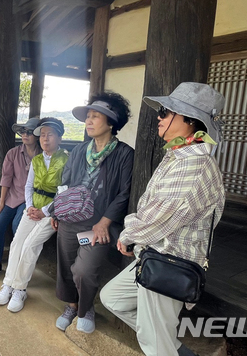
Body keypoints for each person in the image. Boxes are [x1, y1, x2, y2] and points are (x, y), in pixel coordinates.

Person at [100, 82, 226, 356]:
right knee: (113, 299)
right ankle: (171, 346)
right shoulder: (180, 154)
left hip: (171, 260)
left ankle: (165, 347)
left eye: (167, 112)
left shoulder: (195, 162)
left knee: (154, 345)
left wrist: (128, 234)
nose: (159, 116)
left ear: (191, 121)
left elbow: (161, 218)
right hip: (155, 253)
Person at [52, 92, 134, 334]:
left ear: (111, 122)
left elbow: (125, 192)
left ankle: (86, 308)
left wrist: (105, 222)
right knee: (66, 266)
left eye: (95, 117)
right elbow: (64, 183)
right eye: (88, 117)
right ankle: (71, 305)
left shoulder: (124, 154)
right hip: (69, 220)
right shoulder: (79, 151)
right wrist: (58, 212)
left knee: (84, 269)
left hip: (97, 225)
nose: (88, 121)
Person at [0, 117, 68, 313]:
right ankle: (8, 284)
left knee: (30, 245)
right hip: (33, 208)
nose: (45, 139)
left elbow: (64, 191)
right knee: (18, 242)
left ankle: (20, 289)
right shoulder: (36, 160)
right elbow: (29, 186)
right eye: (42, 135)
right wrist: (29, 207)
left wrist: (45, 211)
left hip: (51, 213)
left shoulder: (66, 160)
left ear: (60, 138)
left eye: (50, 135)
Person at [0, 117, 42, 282]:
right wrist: (2, 202)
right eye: (23, 131)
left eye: (30, 132)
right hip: (12, 196)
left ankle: (16, 262)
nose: (25, 135)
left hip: (30, 199)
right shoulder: (13, 153)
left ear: (37, 135)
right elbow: (6, 179)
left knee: (18, 225)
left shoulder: (42, 155)